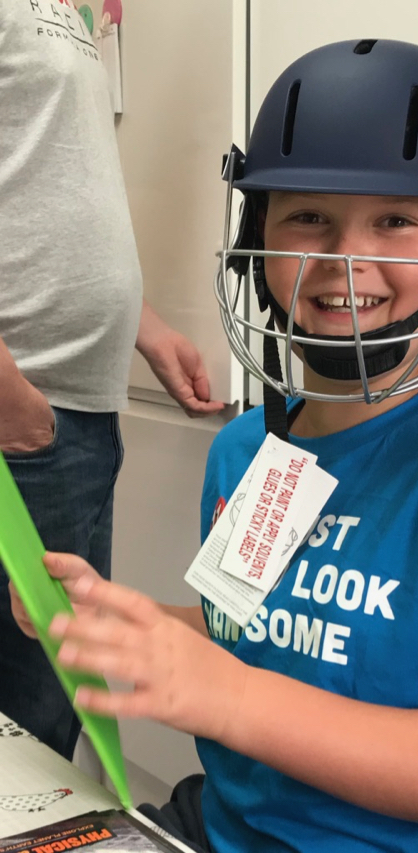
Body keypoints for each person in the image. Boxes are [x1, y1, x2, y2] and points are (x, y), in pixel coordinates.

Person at [13, 39, 418, 852]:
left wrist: (231, 699)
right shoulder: (251, 449)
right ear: (256, 236)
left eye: (396, 220)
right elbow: (246, 632)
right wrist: (123, 625)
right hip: (223, 828)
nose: (345, 260)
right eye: (309, 217)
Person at [0, 0, 223, 762]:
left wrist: (144, 327)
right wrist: (18, 413)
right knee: (29, 725)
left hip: (73, 420)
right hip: (26, 420)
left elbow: (51, 184)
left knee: (56, 710)